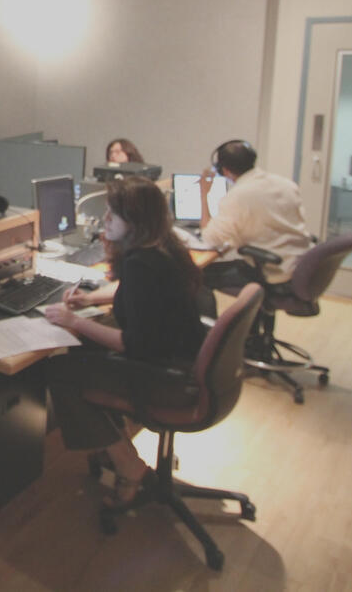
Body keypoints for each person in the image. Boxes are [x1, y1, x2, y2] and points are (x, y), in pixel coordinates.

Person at [42, 176, 206, 505]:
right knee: (87, 347)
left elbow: (132, 345)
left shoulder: (140, 265)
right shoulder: (165, 248)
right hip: (187, 360)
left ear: (134, 223)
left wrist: (74, 322)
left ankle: (128, 465)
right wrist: (90, 301)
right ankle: (112, 446)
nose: (104, 222)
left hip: (166, 376)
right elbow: (128, 291)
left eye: (111, 216)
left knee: (60, 371)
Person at [199, 139, 312, 289]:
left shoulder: (237, 196)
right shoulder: (286, 184)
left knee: (195, 275)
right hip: (301, 266)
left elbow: (210, 240)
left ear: (223, 170)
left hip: (273, 272)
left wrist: (204, 194)